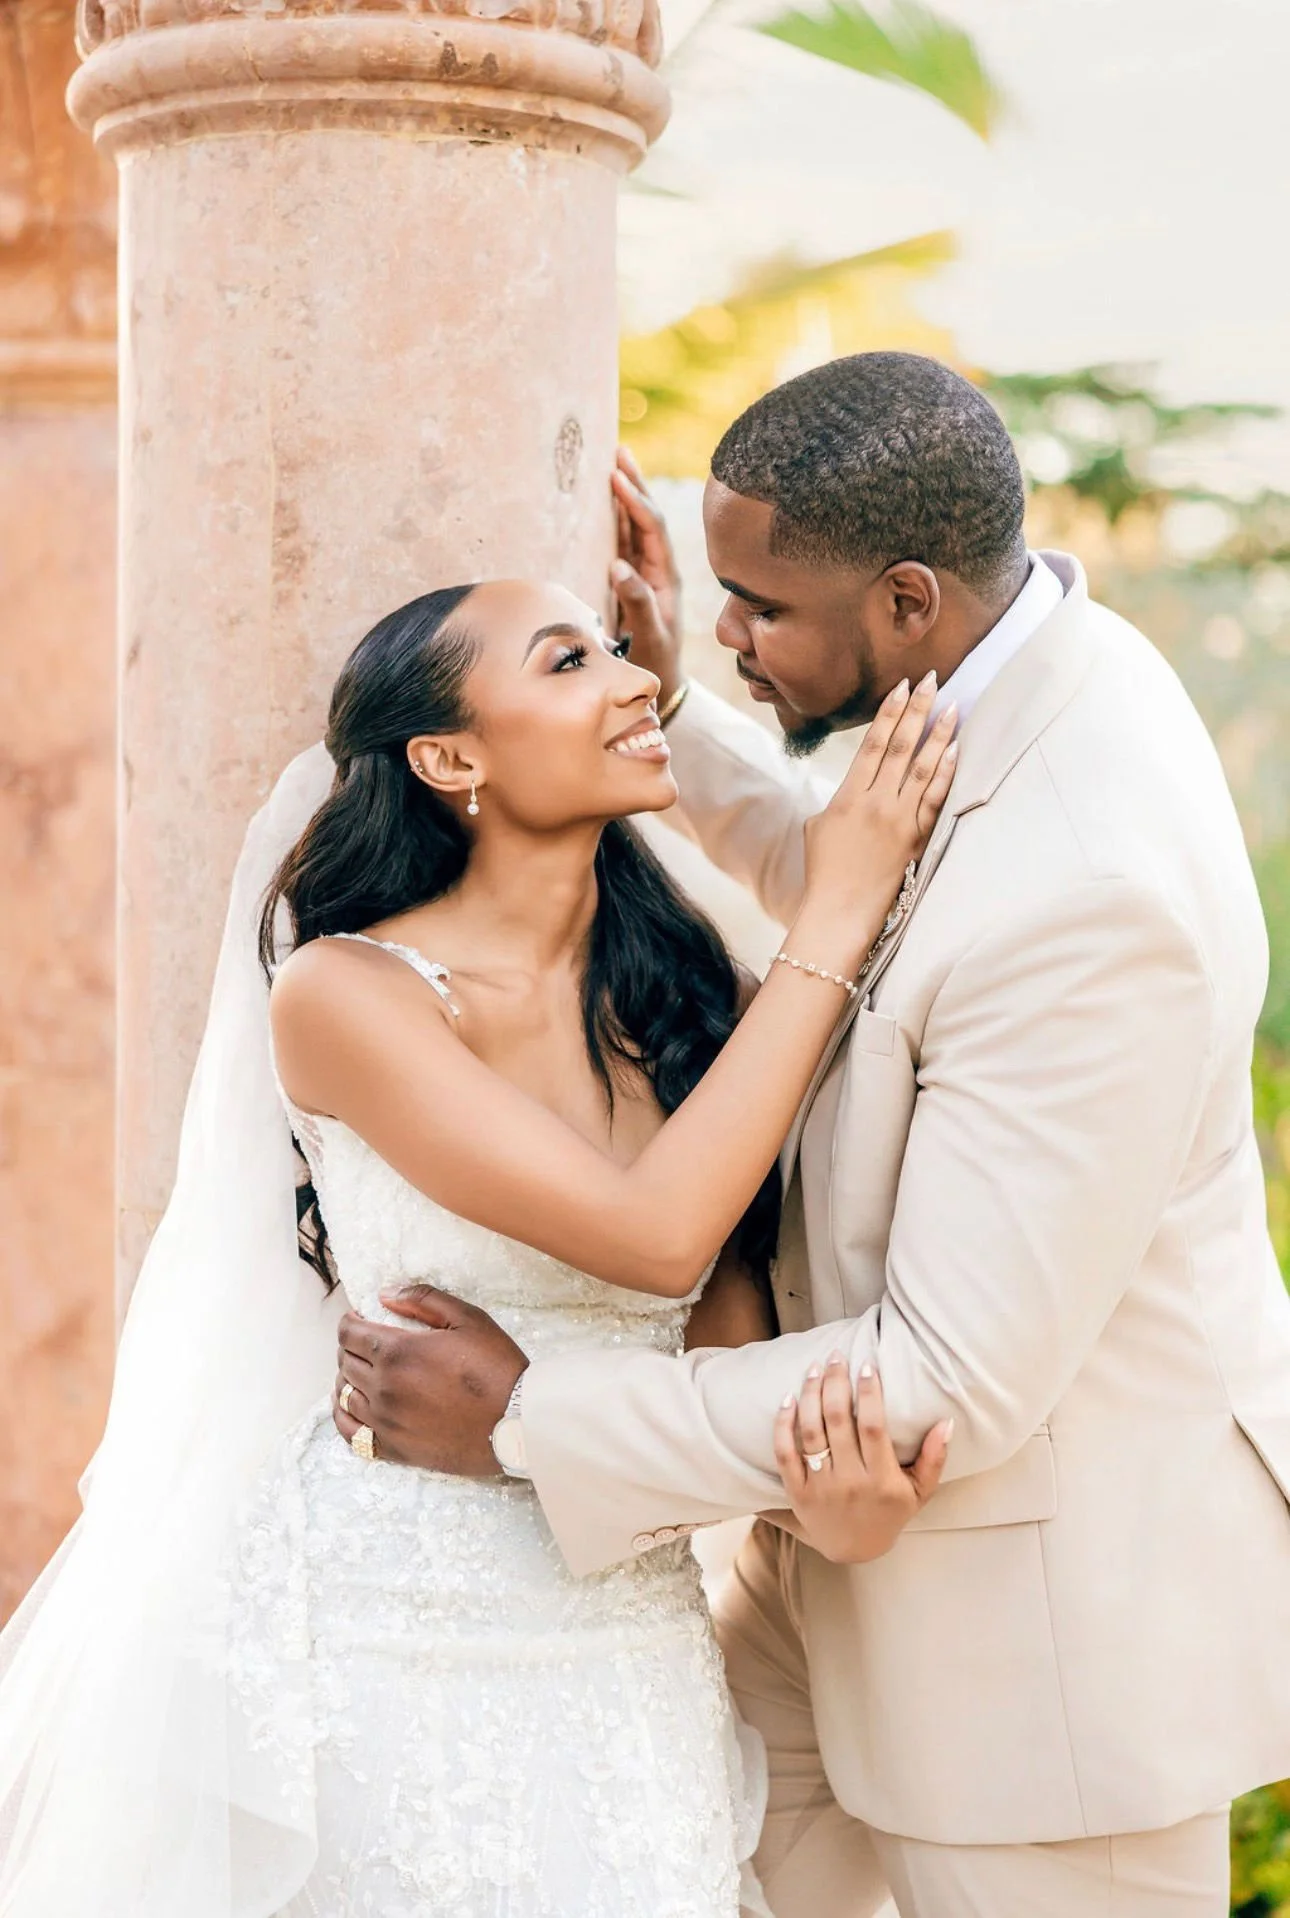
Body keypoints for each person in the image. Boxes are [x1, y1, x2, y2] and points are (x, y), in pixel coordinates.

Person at [338, 354, 1290, 1918]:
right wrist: (674, 720)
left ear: (906, 600)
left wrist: (529, 1416)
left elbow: (943, 1377)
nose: (719, 632)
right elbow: (887, 901)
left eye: (760, 607)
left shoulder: (1090, 890)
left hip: (1039, 1652)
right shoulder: (1033, 668)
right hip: (829, 1564)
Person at [0, 574, 955, 1917]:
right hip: (384, 1645)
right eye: (569, 662)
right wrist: (837, 911)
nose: (635, 680)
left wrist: (823, 1505)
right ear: (450, 759)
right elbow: (654, 1236)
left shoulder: (697, 1001)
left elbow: (723, 1346)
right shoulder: (344, 992)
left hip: (628, 1656)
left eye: (616, 649)